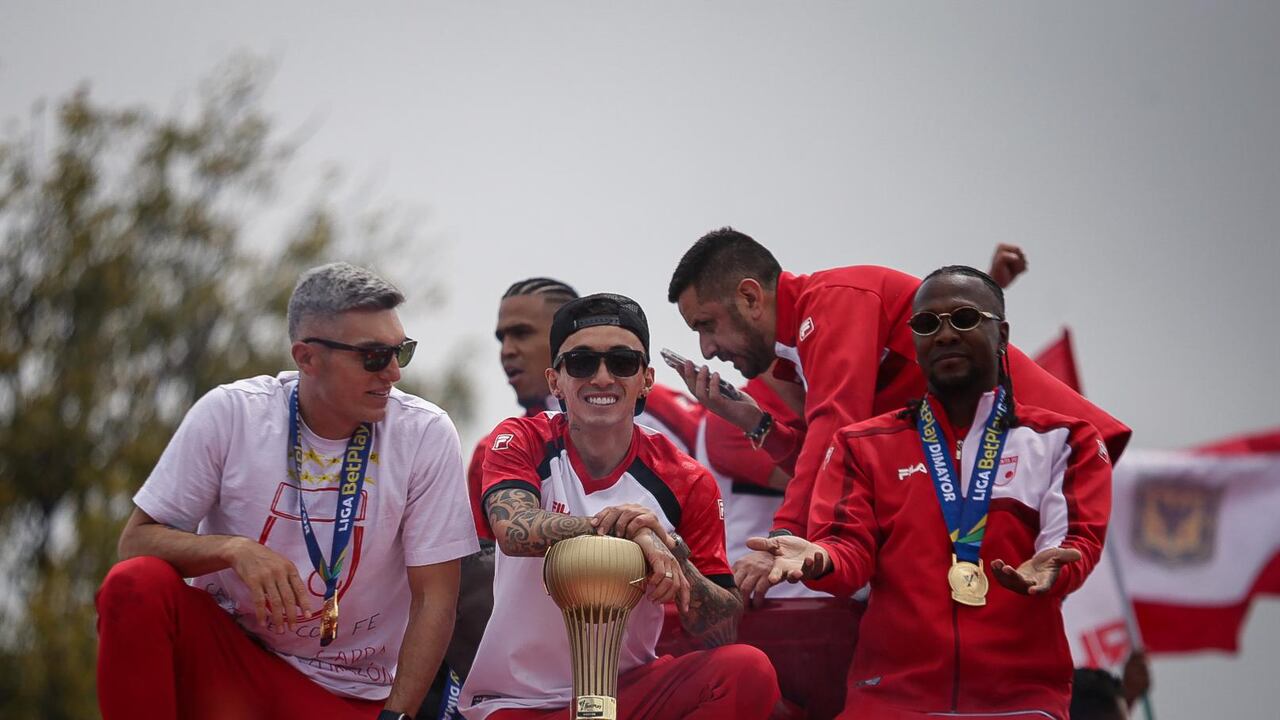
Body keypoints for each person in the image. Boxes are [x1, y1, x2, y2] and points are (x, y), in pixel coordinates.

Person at [96, 262, 479, 720]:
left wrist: (397, 717)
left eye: (403, 352)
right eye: (374, 357)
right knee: (135, 584)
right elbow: (135, 541)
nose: (394, 373)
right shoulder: (233, 413)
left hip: (348, 695)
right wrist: (234, 550)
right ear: (307, 357)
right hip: (234, 666)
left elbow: (434, 598)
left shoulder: (424, 432)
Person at [667, 228, 1130, 602]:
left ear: (750, 297)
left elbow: (835, 429)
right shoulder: (803, 345)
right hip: (988, 484)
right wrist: (758, 424)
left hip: (1040, 466)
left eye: (706, 325)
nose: (706, 348)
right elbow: (837, 462)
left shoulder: (833, 301)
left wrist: (782, 537)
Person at [749, 266, 1113, 719]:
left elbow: (1074, 539)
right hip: (890, 700)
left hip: (1019, 700)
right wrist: (818, 559)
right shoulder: (863, 444)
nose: (943, 334)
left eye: (963, 318)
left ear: (1001, 334)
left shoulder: (1065, 439)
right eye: (926, 324)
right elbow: (848, 550)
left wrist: (1056, 568)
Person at [459, 293, 779, 720]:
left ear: (646, 379)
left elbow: (719, 626)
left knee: (746, 670)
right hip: (522, 703)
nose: (603, 377)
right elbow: (514, 529)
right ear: (555, 380)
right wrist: (632, 534)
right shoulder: (520, 439)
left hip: (629, 690)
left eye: (622, 362)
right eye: (582, 363)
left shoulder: (686, 478)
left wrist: (677, 565)